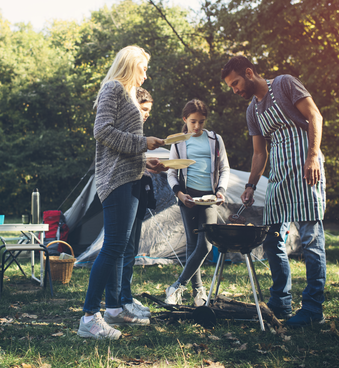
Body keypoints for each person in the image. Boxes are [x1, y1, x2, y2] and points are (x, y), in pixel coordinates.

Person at [221, 55, 327, 328]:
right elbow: (259, 152)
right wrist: (251, 185)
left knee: (310, 239)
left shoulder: (285, 84)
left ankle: (313, 308)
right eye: (231, 87)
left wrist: (313, 156)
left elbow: (314, 115)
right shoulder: (252, 111)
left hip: (306, 170)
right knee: (272, 240)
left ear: (249, 72)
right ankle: (281, 301)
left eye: (236, 83)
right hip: (278, 177)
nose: (235, 90)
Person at [77, 46, 166, 340]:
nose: (146, 73)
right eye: (143, 68)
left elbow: (124, 144)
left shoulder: (127, 94)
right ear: (131, 65)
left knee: (122, 245)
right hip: (115, 181)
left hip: (132, 176)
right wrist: (143, 144)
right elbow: (102, 132)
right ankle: (89, 318)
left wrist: (146, 161)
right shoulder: (112, 88)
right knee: (113, 246)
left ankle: (114, 309)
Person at [164, 99, 230, 307]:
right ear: (185, 119)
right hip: (188, 198)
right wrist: (180, 194)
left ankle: (176, 286)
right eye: (193, 122)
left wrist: (220, 191)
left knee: (206, 244)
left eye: (201, 122)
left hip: (209, 198)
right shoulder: (178, 141)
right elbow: (171, 172)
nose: (197, 126)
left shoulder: (215, 140)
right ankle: (198, 292)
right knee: (193, 245)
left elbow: (225, 168)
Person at [116, 86, 157, 321]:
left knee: (131, 251)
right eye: (144, 109)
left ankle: (126, 296)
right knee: (123, 250)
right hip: (126, 195)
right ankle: (121, 300)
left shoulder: (138, 131)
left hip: (139, 195)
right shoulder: (126, 132)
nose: (146, 114)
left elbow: (134, 162)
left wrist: (149, 165)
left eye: (148, 111)